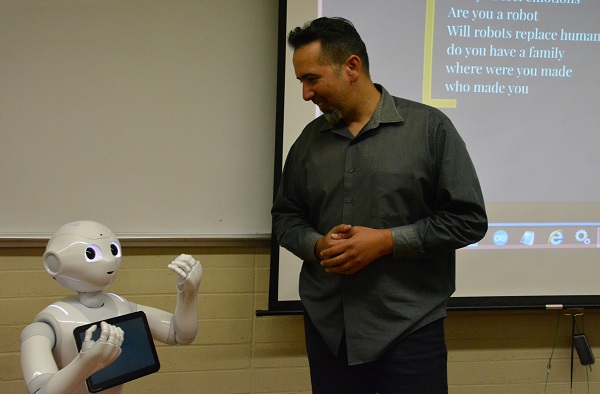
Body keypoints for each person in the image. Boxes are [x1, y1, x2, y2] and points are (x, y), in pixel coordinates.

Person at [271, 17, 487, 393]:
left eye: (312, 79)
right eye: (301, 82)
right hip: (328, 331)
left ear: (351, 67)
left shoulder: (430, 130)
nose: (306, 94)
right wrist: (317, 244)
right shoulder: (308, 141)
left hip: (409, 330)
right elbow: (286, 218)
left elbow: (467, 220)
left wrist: (386, 241)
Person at [20, 220, 203, 394]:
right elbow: (40, 389)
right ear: (54, 262)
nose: (109, 261)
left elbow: (179, 334)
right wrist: (85, 364)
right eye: (92, 254)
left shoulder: (120, 305)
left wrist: (188, 295)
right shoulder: (49, 324)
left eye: (113, 250)